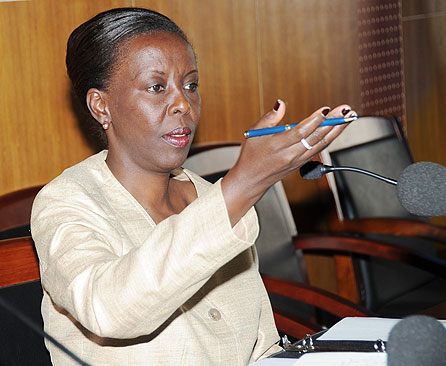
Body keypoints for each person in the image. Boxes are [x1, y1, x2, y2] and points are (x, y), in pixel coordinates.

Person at [31, 7, 357, 366]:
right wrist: (243, 184)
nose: (184, 104)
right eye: (157, 87)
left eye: (190, 85)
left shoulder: (206, 194)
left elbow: (262, 346)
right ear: (101, 106)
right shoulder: (66, 201)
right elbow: (109, 310)